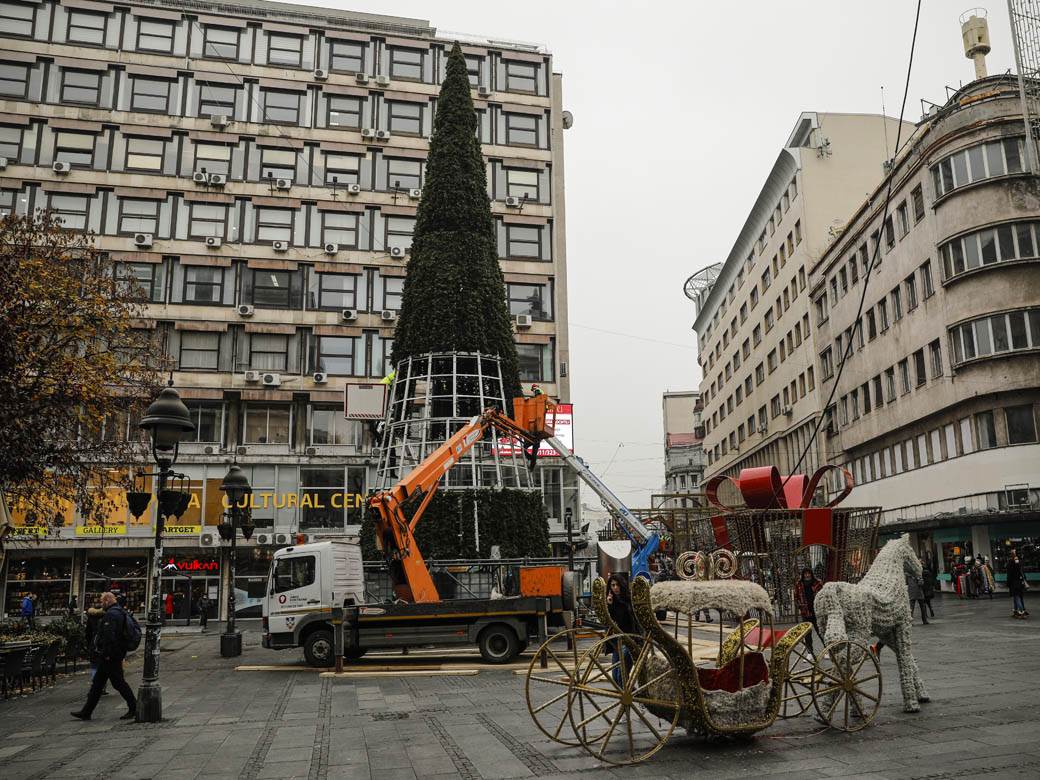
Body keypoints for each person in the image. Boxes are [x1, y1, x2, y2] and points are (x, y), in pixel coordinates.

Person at [71, 592, 137, 721]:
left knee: (118, 683)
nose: (101, 604)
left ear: (107, 601)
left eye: (102, 601)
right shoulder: (119, 612)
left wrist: (107, 654)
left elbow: (109, 636)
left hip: (110, 655)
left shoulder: (112, 615)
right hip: (113, 653)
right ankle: (86, 711)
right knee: (97, 684)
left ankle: (134, 706)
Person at [605, 573, 637, 684]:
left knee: (621, 677)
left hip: (628, 641)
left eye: (617, 585)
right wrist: (609, 605)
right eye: (612, 585)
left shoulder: (629, 601)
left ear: (622, 585)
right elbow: (609, 622)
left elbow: (632, 622)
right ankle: (631, 696)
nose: (615, 588)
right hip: (616, 643)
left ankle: (630, 698)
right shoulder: (612, 602)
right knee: (615, 677)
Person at [795, 568, 823, 652]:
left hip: (816, 612)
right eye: (805, 574)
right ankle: (810, 652)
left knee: (821, 632)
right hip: (805, 612)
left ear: (811, 574)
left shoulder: (817, 583)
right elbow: (796, 596)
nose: (807, 575)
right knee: (807, 634)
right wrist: (800, 606)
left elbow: (823, 595)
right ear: (803, 575)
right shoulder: (799, 584)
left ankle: (827, 650)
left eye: (809, 573)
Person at [84, 601, 108, 696]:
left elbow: (88, 633)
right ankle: (102, 687)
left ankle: (95, 686)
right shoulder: (106, 616)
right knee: (103, 667)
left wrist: (89, 643)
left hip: (94, 644)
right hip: (103, 644)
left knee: (94, 666)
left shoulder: (91, 617)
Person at [1006, 549, 1028, 619]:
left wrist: (1008, 583)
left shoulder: (1010, 563)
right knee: (1019, 597)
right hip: (1020, 582)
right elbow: (1022, 571)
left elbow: (1009, 574)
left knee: (1017, 597)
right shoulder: (1019, 562)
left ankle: (1021, 612)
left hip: (1014, 583)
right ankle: (1017, 611)